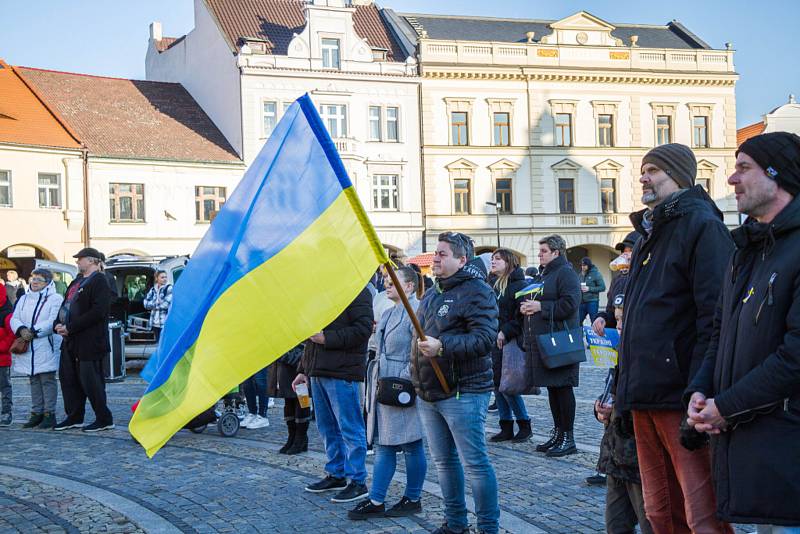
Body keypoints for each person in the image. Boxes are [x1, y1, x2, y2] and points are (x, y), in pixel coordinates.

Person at [615, 143, 734, 533]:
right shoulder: (652, 232)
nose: (642, 177)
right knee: (660, 510)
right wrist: (620, 393)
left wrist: (699, 388)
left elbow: (714, 316)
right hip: (645, 393)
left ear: (678, 174)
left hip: (678, 392)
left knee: (702, 514)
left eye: (651, 169)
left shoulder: (701, 225)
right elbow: (637, 320)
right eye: (642, 170)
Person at [686, 132, 800, 532]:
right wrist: (701, 392)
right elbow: (721, 333)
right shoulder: (745, 250)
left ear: (778, 175)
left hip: (788, 452)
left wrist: (726, 406)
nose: (731, 179)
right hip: (752, 449)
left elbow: (795, 357)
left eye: (743, 168)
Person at [411, 231, 500, 534]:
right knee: (444, 463)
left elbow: (484, 339)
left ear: (462, 260)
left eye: (442, 254)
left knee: (474, 464)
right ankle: (455, 522)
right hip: (430, 391)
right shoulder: (433, 292)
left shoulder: (477, 291)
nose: (435, 258)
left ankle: (488, 527)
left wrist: (443, 346)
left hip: (464, 390)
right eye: (435, 253)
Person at [349, 266, 427, 520]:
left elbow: (418, 351)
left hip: (401, 385)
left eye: (392, 283)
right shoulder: (389, 312)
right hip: (382, 381)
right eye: (385, 282)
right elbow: (377, 345)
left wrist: (403, 379)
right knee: (383, 443)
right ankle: (377, 498)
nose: (386, 286)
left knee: (411, 442)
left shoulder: (416, 311)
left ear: (409, 286)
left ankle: (413, 497)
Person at [293, 286, 372, 504]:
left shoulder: (357, 291)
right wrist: (303, 369)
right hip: (318, 371)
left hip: (342, 372)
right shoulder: (324, 291)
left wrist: (327, 338)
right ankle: (336, 473)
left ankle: (358, 481)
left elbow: (363, 330)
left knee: (349, 427)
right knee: (327, 428)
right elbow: (312, 338)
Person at [594, 294, 653, 534]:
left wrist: (617, 408)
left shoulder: (648, 355)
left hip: (639, 458)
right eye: (616, 320)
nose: (618, 326)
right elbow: (611, 391)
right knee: (616, 525)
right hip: (616, 454)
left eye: (622, 320)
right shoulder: (619, 353)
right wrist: (601, 409)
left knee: (651, 522)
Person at [521, 235, 582, 457]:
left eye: (544, 251)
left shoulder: (565, 272)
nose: (540, 254)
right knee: (553, 389)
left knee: (563, 389)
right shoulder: (545, 273)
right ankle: (558, 433)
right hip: (547, 340)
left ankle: (569, 438)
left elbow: (570, 303)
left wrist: (540, 307)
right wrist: (529, 306)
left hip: (561, 342)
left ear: (556, 252)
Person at [54, 247, 115, 432]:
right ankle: (74, 416)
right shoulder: (77, 281)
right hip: (71, 340)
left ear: (91, 260)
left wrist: (70, 327)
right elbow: (66, 305)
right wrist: (57, 323)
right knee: (69, 380)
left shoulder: (100, 281)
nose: (77, 262)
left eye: (80, 259)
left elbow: (98, 311)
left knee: (91, 381)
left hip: (90, 341)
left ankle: (104, 418)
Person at [487, 248, 532, 443]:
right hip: (493, 341)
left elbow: (521, 316)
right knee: (497, 384)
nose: (494, 262)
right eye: (492, 259)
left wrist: (505, 330)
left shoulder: (519, 285)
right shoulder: (492, 284)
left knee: (509, 386)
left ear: (509, 263)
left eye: (498, 259)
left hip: (510, 341)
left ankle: (524, 424)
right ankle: (505, 426)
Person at [10, 269, 64, 429]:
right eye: (33, 279)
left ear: (47, 282)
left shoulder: (55, 298)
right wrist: (21, 330)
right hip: (28, 345)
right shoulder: (24, 298)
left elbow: (53, 320)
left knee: (47, 379)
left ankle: (49, 414)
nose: (34, 282)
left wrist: (33, 332)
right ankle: (37, 412)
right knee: (33, 379)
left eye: (39, 279)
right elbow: (15, 317)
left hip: (44, 344)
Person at [592, 232, 639, 336]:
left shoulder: (649, 277)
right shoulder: (617, 280)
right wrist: (603, 318)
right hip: (622, 340)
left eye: (631, 251)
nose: (626, 255)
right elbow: (611, 312)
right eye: (623, 251)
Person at [268, 344, 309, 454]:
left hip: (299, 365)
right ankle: (292, 438)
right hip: (286, 367)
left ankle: (301, 438)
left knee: (301, 404)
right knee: (289, 403)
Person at [143, 270, 172, 341]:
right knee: (158, 344)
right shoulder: (153, 290)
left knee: (164, 344)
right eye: (162, 277)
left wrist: (153, 305)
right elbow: (145, 304)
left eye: (165, 277)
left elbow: (165, 305)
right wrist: (157, 303)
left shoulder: (169, 288)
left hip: (165, 323)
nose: (165, 279)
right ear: (156, 278)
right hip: (154, 323)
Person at [578, 257, 605, 325]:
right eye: (581, 265)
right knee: (577, 322)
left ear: (589, 265)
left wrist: (589, 289)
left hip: (592, 301)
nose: (582, 267)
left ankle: (595, 335)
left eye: (584, 265)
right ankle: (580, 335)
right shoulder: (580, 275)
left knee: (594, 321)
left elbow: (602, 287)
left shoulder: (596, 274)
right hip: (582, 302)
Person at [0, 289, 13, 427]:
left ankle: (6, 412)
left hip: (2, 358)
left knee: (4, 386)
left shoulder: (7, 314)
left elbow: (11, 336)